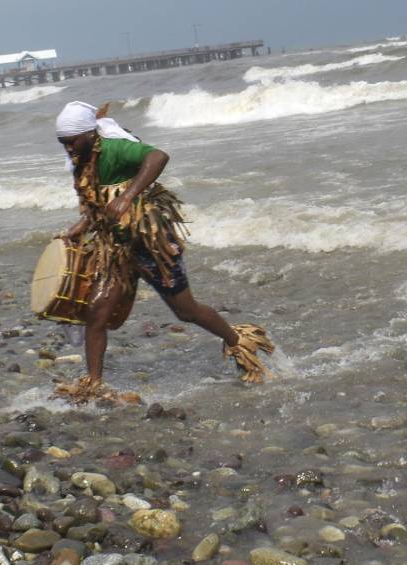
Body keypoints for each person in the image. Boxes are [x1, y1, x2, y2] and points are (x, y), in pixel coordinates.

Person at [52, 101, 273, 403]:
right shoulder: (82, 160)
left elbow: (158, 156)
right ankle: (94, 384)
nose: (68, 148)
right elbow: (98, 201)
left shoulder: (115, 149)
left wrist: (128, 197)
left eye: (72, 141)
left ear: (90, 134)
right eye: (63, 143)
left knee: (186, 311)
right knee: (97, 312)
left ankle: (240, 341)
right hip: (115, 248)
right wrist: (83, 224)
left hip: (150, 243)